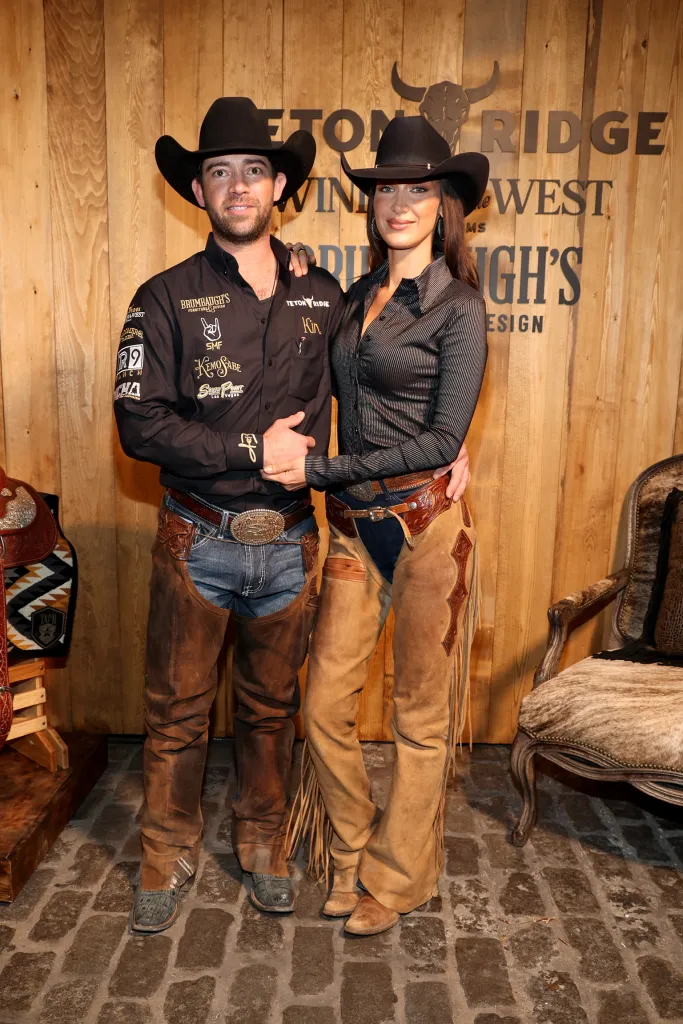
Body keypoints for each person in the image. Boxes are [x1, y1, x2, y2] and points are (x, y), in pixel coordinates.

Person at [113, 96, 347, 931]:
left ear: (279, 184)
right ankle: (163, 854)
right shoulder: (164, 298)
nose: (238, 186)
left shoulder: (323, 293)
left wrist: (446, 444)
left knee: (269, 708)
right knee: (175, 711)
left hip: (290, 544)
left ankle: (263, 843)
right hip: (197, 539)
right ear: (199, 191)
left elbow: (377, 385)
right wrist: (251, 450)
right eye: (220, 173)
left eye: (253, 170)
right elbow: (140, 424)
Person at [265, 115, 488, 936]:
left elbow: (438, 437)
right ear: (373, 203)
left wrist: (316, 471)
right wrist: (296, 269)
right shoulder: (355, 297)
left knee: (419, 720)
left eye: (418, 189)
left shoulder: (458, 307)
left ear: (443, 205)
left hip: (430, 532)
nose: (399, 202)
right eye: (387, 189)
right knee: (323, 702)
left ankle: (399, 879)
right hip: (358, 532)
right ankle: (354, 851)